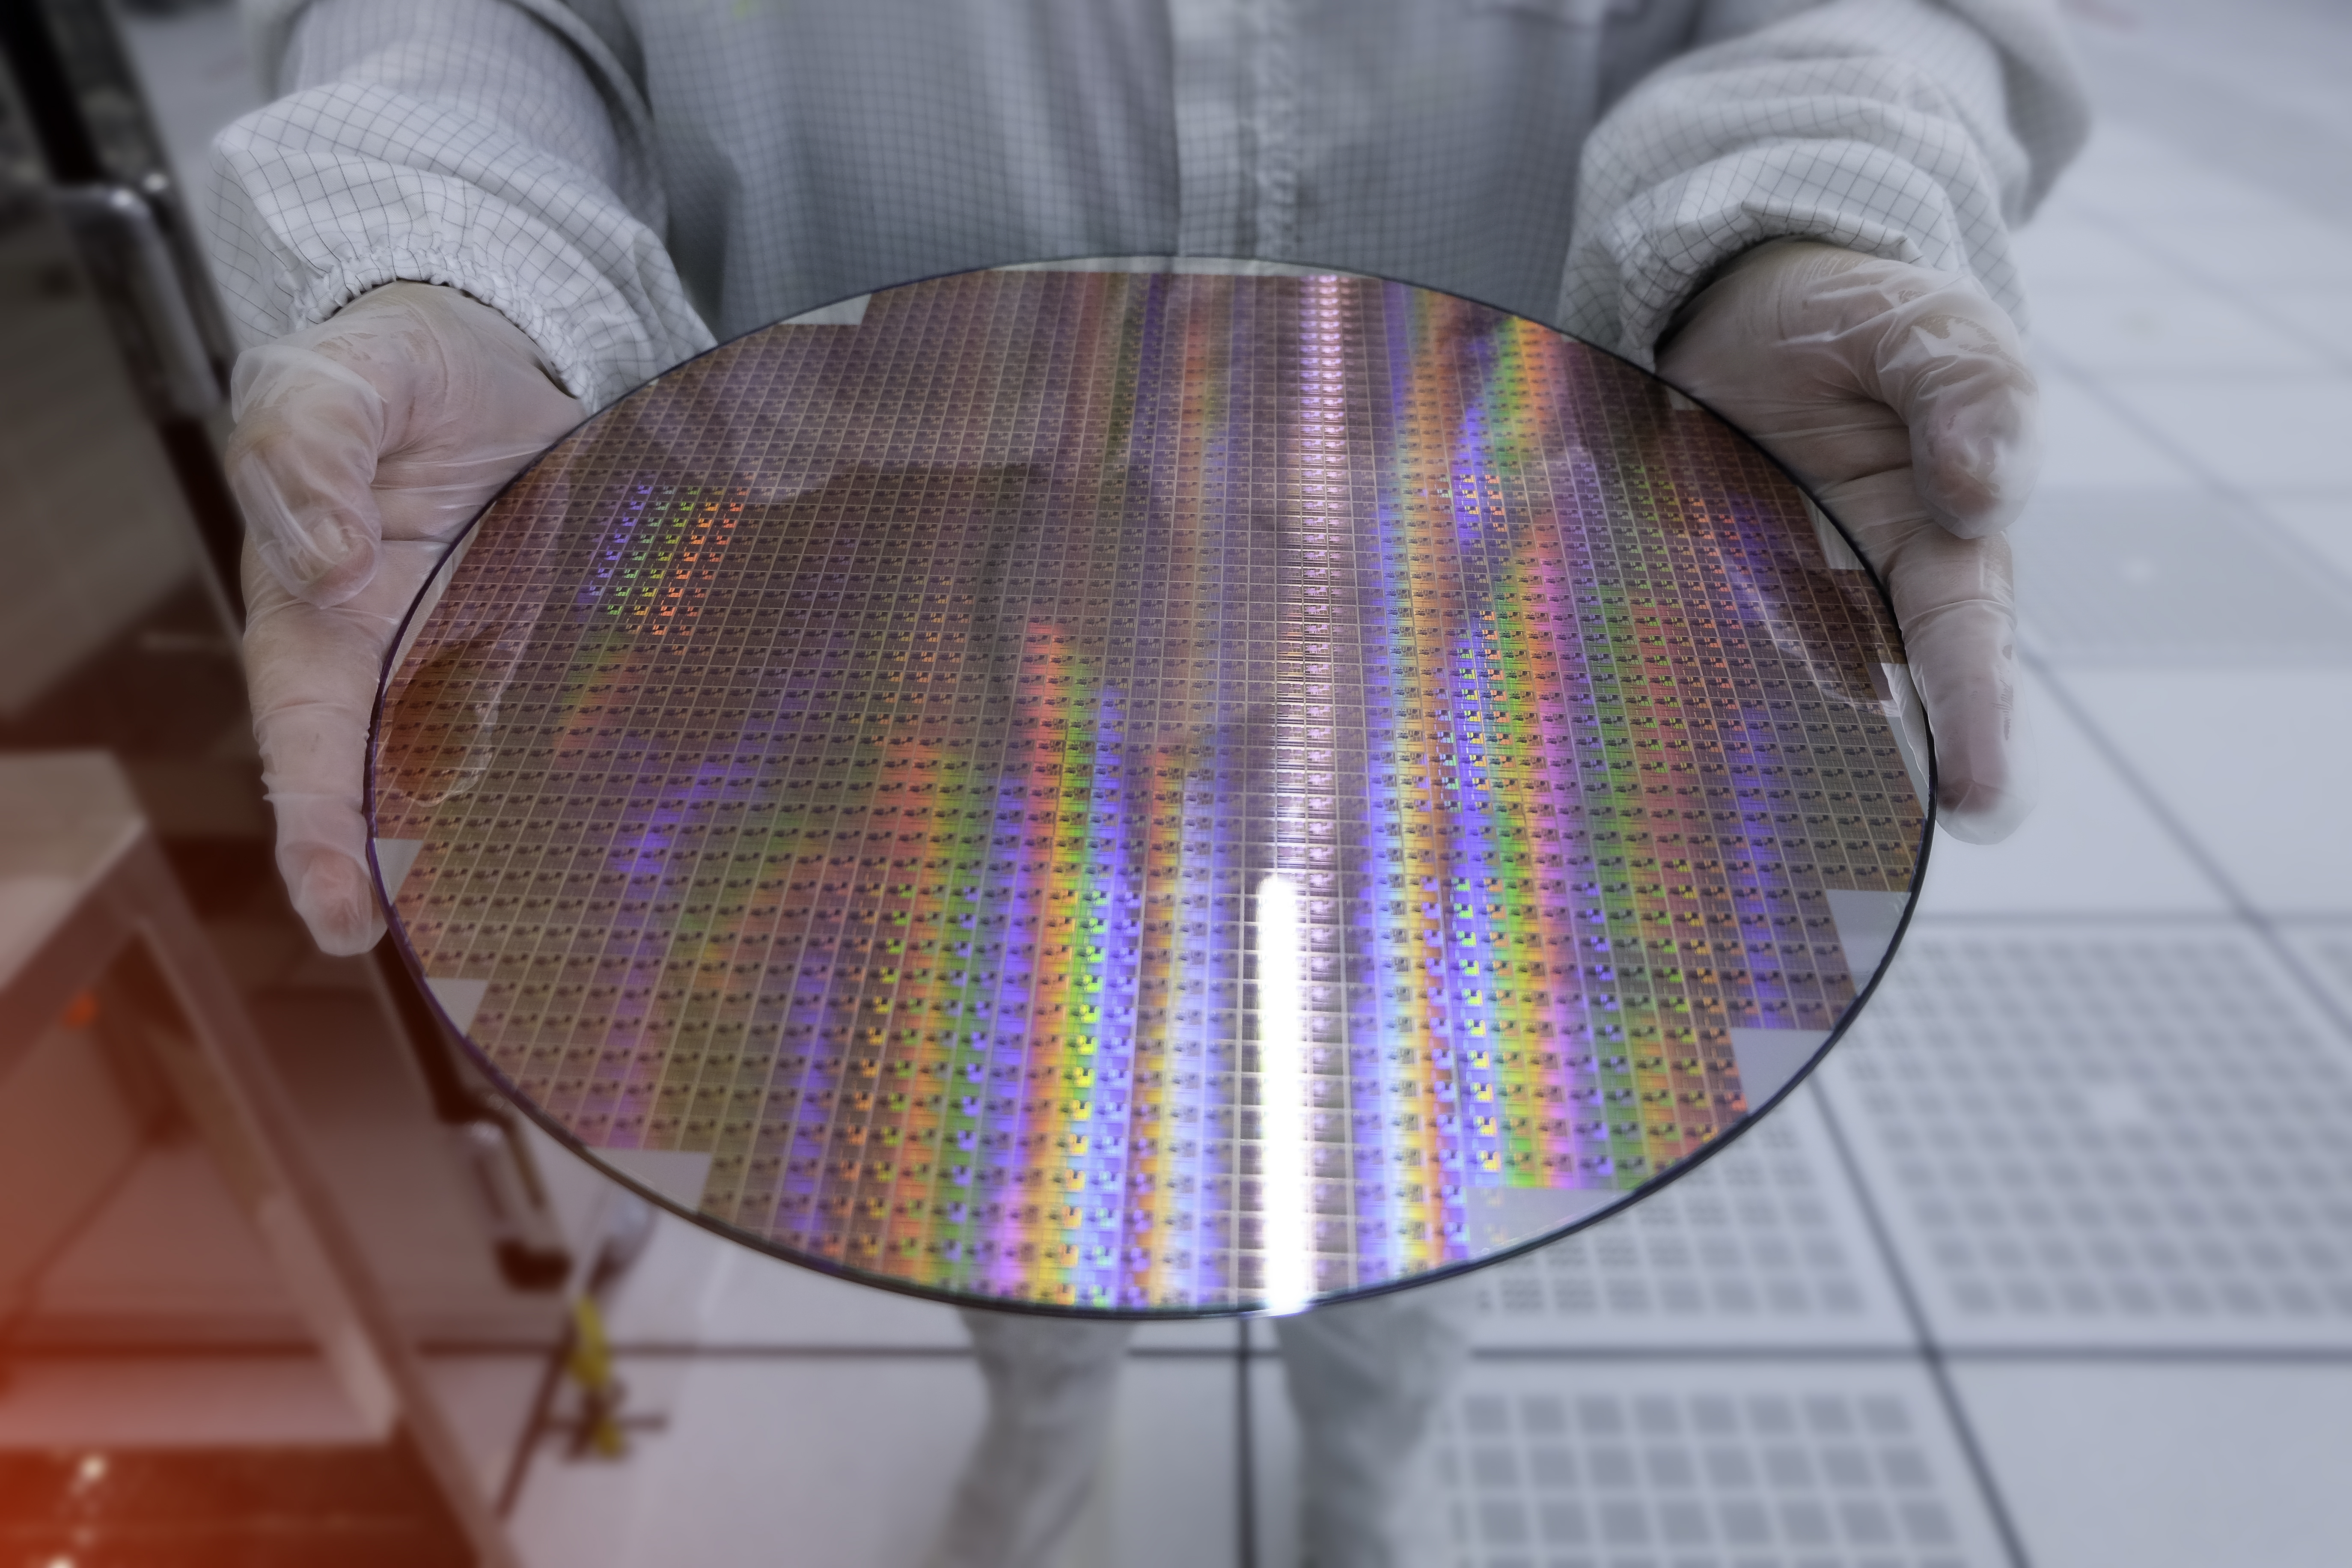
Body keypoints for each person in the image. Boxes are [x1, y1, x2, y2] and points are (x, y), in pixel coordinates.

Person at [209, 2, 2085, 1562]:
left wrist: (1812, 212)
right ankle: (1046, 1412)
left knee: (1417, 1107)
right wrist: (442, 253)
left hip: (1466, 609)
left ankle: (1365, 1472)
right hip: (881, 596)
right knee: (971, 1082)